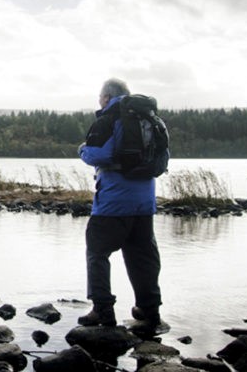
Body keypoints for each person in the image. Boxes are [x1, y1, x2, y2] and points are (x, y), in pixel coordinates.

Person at [76, 78, 165, 333]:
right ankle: (149, 311)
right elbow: (163, 156)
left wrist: (82, 150)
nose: (99, 101)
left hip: (113, 203)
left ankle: (102, 310)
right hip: (144, 202)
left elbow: (99, 154)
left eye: (100, 97)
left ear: (106, 97)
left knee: (97, 252)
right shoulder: (150, 119)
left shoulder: (110, 118)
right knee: (143, 257)